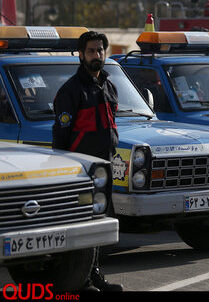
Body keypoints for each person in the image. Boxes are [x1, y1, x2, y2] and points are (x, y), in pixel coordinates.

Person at [52, 31, 123, 291]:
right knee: (82, 226)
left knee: (97, 225)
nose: (97, 55)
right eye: (91, 51)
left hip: (103, 169)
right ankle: (81, 282)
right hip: (78, 172)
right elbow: (61, 135)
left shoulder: (109, 85)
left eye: (101, 50)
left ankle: (94, 277)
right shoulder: (70, 91)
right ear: (81, 54)